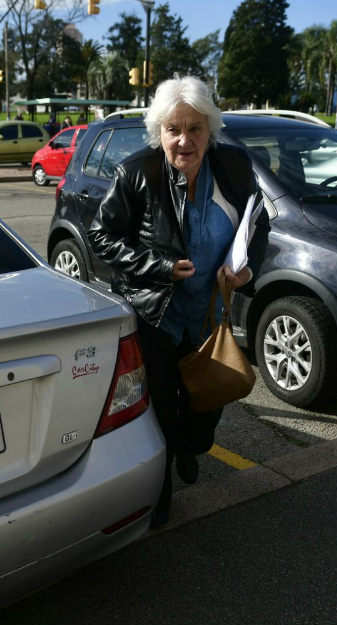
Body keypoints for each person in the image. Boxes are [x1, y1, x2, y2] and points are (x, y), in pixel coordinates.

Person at [89, 76, 269, 528]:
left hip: (210, 315)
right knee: (163, 409)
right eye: (174, 129)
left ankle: (192, 449)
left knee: (208, 401)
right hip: (157, 315)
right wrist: (159, 267)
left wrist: (247, 269)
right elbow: (101, 236)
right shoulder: (137, 173)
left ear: (210, 130)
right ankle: (162, 489)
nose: (184, 140)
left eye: (195, 129)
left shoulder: (233, 167)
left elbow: (258, 224)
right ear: (160, 132)